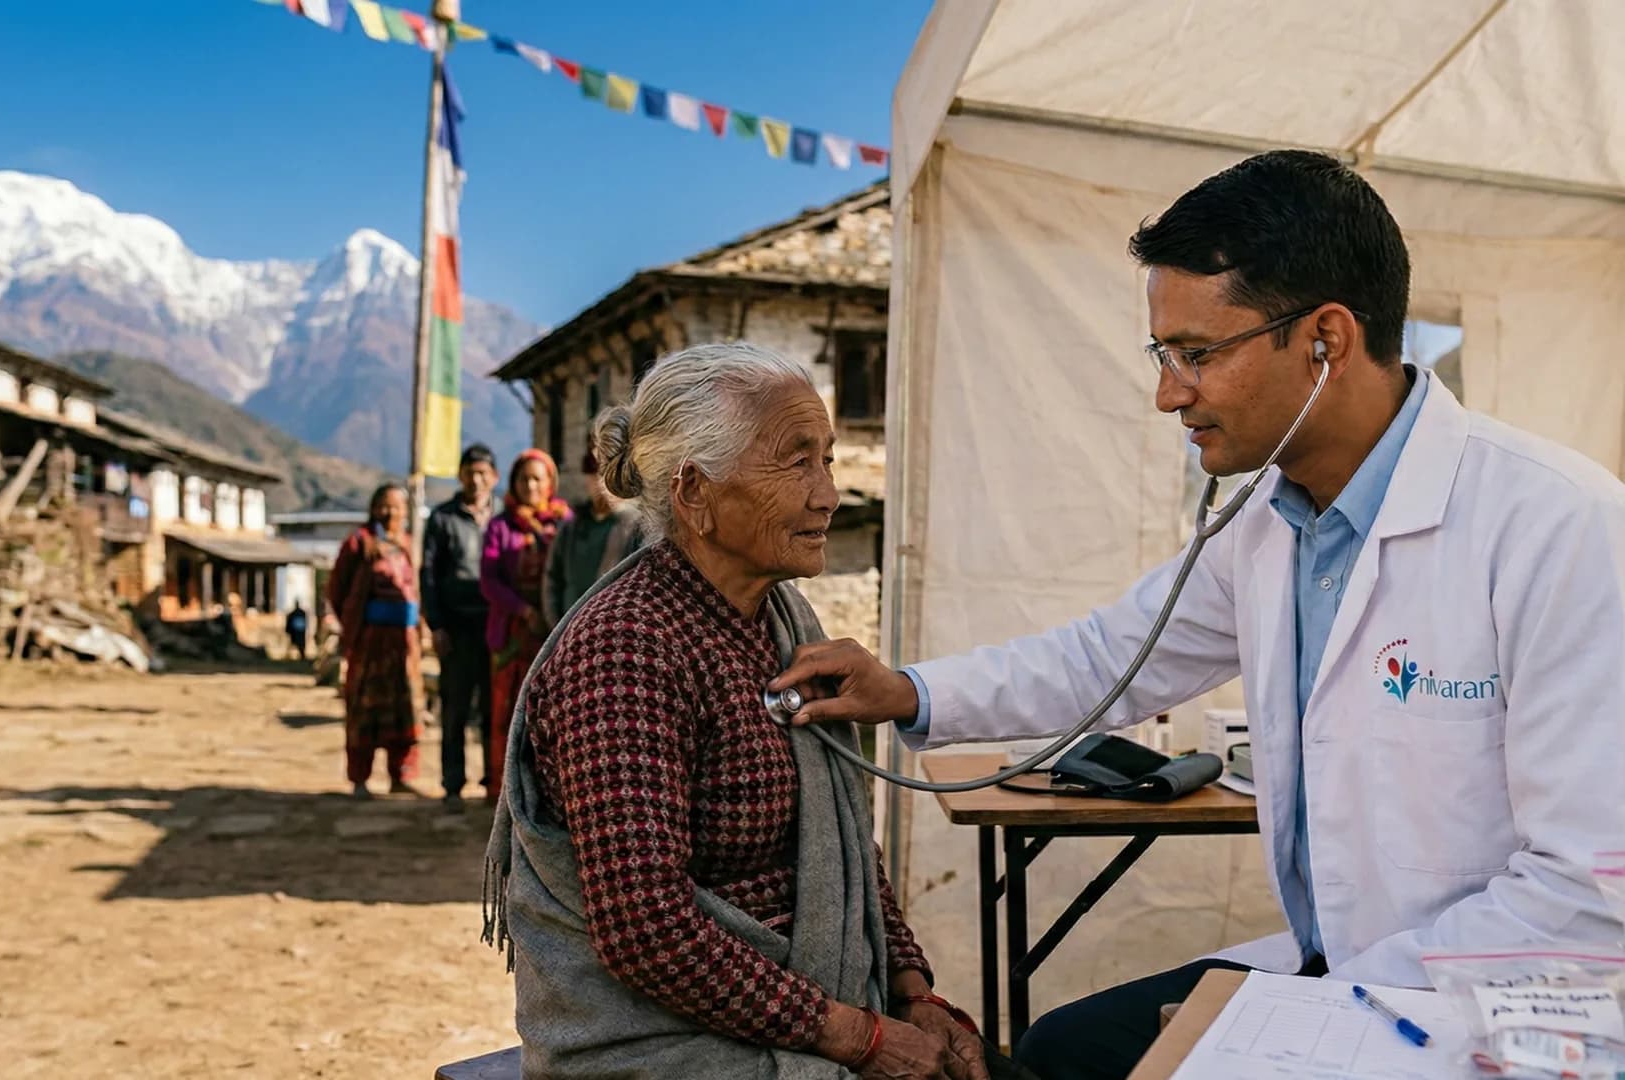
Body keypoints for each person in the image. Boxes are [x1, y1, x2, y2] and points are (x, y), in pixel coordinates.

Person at [772, 150, 1625, 1080]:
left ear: (1326, 340)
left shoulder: (1559, 527)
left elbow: (1588, 892)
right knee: (1063, 1052)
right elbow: (1111, 658)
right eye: (1163, 354)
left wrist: (1325, 1012)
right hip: (1342, 969)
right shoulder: (1268, 524)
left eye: (1197, 354)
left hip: (1508, 1002)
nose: (1168, 392)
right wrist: (906, 691)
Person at [482, 343, 1016, 1080]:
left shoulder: (785, 622)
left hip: (810, 1016)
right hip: (657, 1044)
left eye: (826, 459)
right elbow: (648, 932)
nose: (827, 493)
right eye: (797, 462)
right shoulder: (624, 652)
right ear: (695, 493)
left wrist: (911, 991)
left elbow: (845, 848)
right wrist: (859, 1037)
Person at [478, 448, 571, 803]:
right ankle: (504, 793)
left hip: (556, 632)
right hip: (513, 636)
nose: (531, 485)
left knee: (551, 714)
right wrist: (522, 610)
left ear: (550, 483)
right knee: (507, 711)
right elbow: (489, 580)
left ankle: (548, 796)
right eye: (524, 479)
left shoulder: (565, 523)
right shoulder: (500, 527)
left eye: (538, 478)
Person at [326, 483, 427, 800]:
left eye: (396, 506)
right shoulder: (359, 544)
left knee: (406, 709)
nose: (390, 513)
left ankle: (401, 775)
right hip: (370, 641)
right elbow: (336, 589)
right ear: (372, 509)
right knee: (363, 710)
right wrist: (353, 622)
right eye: (383, 506)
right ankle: (360, 778)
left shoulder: (409, 545)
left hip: (404, 644)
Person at [423, 444, 502, 810]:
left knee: (493, 708)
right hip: (455, 629)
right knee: (454, 708)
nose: (477, 479)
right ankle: (453, 784)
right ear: (460, 475)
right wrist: (435, 625)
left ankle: (492, 782)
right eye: (470, 471)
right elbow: (429, 576)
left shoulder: (503, 517)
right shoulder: (442, 518)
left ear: (495, 478)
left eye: (484, 472)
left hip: (496, 628)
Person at [542, 447, 646, 624]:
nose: (600, 480)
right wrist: (556, 627)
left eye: (606, 471)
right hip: (568, 631)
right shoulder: (570, 528)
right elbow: (552, 579)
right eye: (594, 471)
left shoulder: (637, 527)